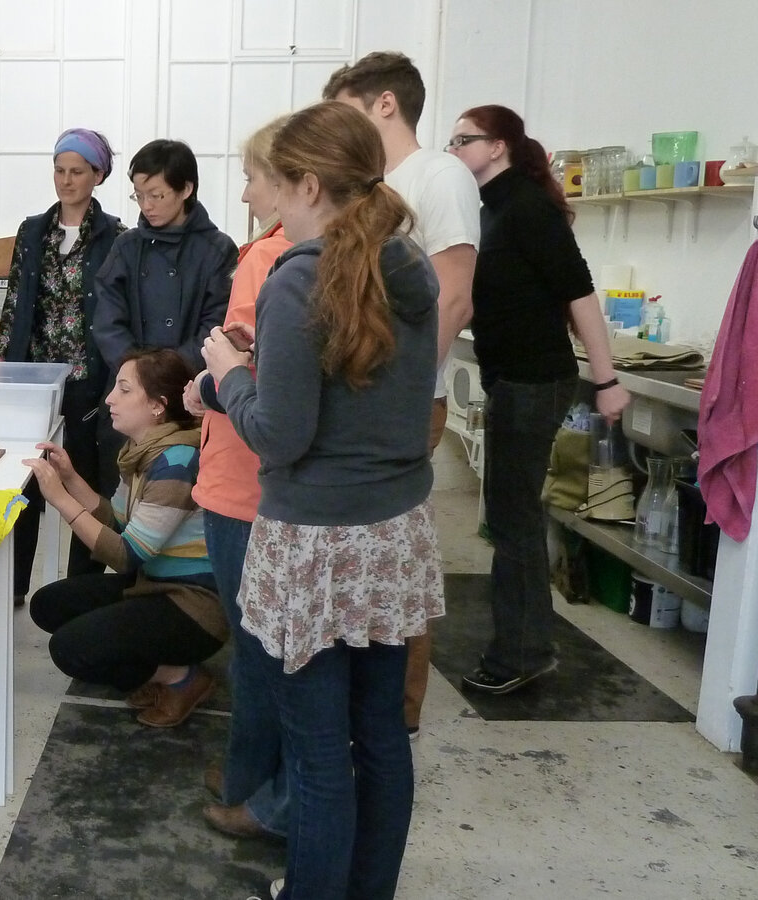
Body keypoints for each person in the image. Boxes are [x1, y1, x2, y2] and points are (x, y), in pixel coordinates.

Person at [203, 100, 442, 900]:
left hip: (315, 542)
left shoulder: (295, 278)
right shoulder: (408, 264)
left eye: (267, 180)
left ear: (306, 184)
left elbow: (281, 435)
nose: (257, 196)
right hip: (394, 534)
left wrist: (228, 378)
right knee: (379, 734)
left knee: (315, 749)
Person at [445, 105, 629, 695]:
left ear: (497, 146)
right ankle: (526, 644)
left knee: (513, 521)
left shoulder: (525, 207)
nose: (453, 149)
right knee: (511, 518)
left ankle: (522, 653)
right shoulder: (489, 210)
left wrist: (606, 380)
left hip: (534, 381)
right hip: (513, 378)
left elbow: (579, 293)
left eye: (463, 140)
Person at [324, 50, 481, 736]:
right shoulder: (378, 182)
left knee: (399, 553)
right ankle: (364, 698)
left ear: (385, 104)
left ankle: (400, 710)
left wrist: (413, 394)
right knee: (363, 553)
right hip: (366, 394)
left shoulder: (439, 175)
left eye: (348, 111)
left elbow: (453, 297)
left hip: (405, 398)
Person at [181, 115, 293, 842]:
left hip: (242, 482)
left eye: (252, 178)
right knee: (268, 647)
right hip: (263, 479)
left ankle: (256, 791)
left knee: (258, 652)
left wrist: (204, 385)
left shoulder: (271, 260)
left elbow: (247, 366)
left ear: (291, 182)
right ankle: (255, 780)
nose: (246, 194)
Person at [26, 347, 227, 729]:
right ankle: (159, 664)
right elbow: (118, 520)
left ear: (157, 406)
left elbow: (125, 554)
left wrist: (59, 499)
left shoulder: (176, 462)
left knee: (69, 649)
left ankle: (181, 677)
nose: (109, 400)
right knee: (48, 605)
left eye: (123, 390)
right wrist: (70, 478)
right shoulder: (144, 450)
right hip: (153, 585)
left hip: (193, 606)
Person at [0, 128, 125, 607]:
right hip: (35, 377)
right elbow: (14, 299)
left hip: (88, 379)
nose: (66, 181)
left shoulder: (116, 236)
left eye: (77, 172)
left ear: (98, 175)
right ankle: (12, 584)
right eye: (59, 170)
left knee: (84, 483)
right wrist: (4, 361)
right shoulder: (33, 230)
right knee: (26, 478)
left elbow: (116, 308)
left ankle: (80, 591)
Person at [93, 139, 237, 493]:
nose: (147, 205)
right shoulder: (127, 247)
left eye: (156, 195)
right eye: (139, 195)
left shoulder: (218, 249)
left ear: (186, 188)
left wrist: (167, 379)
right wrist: (136, 379)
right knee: (119, 501)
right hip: (129, 395)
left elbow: (215, 326)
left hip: (187, 395)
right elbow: (107, 319)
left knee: (178, 503)